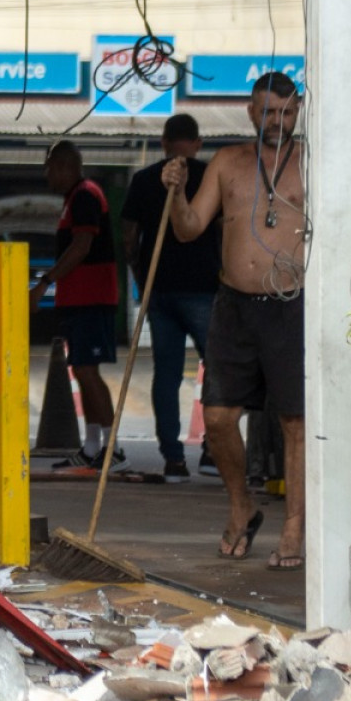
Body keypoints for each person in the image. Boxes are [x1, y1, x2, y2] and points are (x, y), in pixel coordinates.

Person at [161, 71, 307, 568]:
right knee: (220, 419)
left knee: (295, 422)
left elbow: (349, 236)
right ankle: (241, 505)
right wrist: (177, 193)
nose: (277, 122)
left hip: (291, 304)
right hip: (233, 305)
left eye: (287, 113)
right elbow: (188, 229)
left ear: (299, 111)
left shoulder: (312, 164)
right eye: (268, 112)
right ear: (250, 110)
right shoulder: (227, 162)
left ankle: (292, 527)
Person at [120, 114, 221, 481]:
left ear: (163, 142)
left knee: (166, 375)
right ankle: (212, 452)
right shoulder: (212, 177)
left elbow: (129, 237)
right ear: (196, 142)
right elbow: (226, 231)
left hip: (160, 291)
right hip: (205, 289)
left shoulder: (145, 179)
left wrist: (140, 280)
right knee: (218, 371)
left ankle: (173, 460)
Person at [32, 140, 121, 470]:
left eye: (50, 168)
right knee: (82, 371)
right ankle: (92, 446)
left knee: (87, 371)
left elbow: (82, 247)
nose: (47, 176)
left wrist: (44, 282)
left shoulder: (85, 195)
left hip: (92, 298)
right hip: (79, 299)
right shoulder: (74, 198)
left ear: (65, 166)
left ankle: (112, 450)